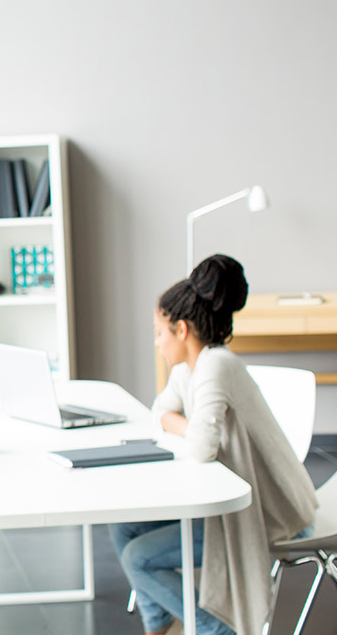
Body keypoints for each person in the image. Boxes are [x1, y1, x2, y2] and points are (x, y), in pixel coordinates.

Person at [109, 254, 317, 635]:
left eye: (159, 333)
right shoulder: (189, 369)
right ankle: (159, 624)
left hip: (265, 512)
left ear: (181, 330)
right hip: (233, 501)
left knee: (139, 558)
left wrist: (179, 425)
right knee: (124, 528)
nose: (157, 343)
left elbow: (201, 447)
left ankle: (216, 628)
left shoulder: (216, 365)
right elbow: (160, 411)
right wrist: (182, 424)